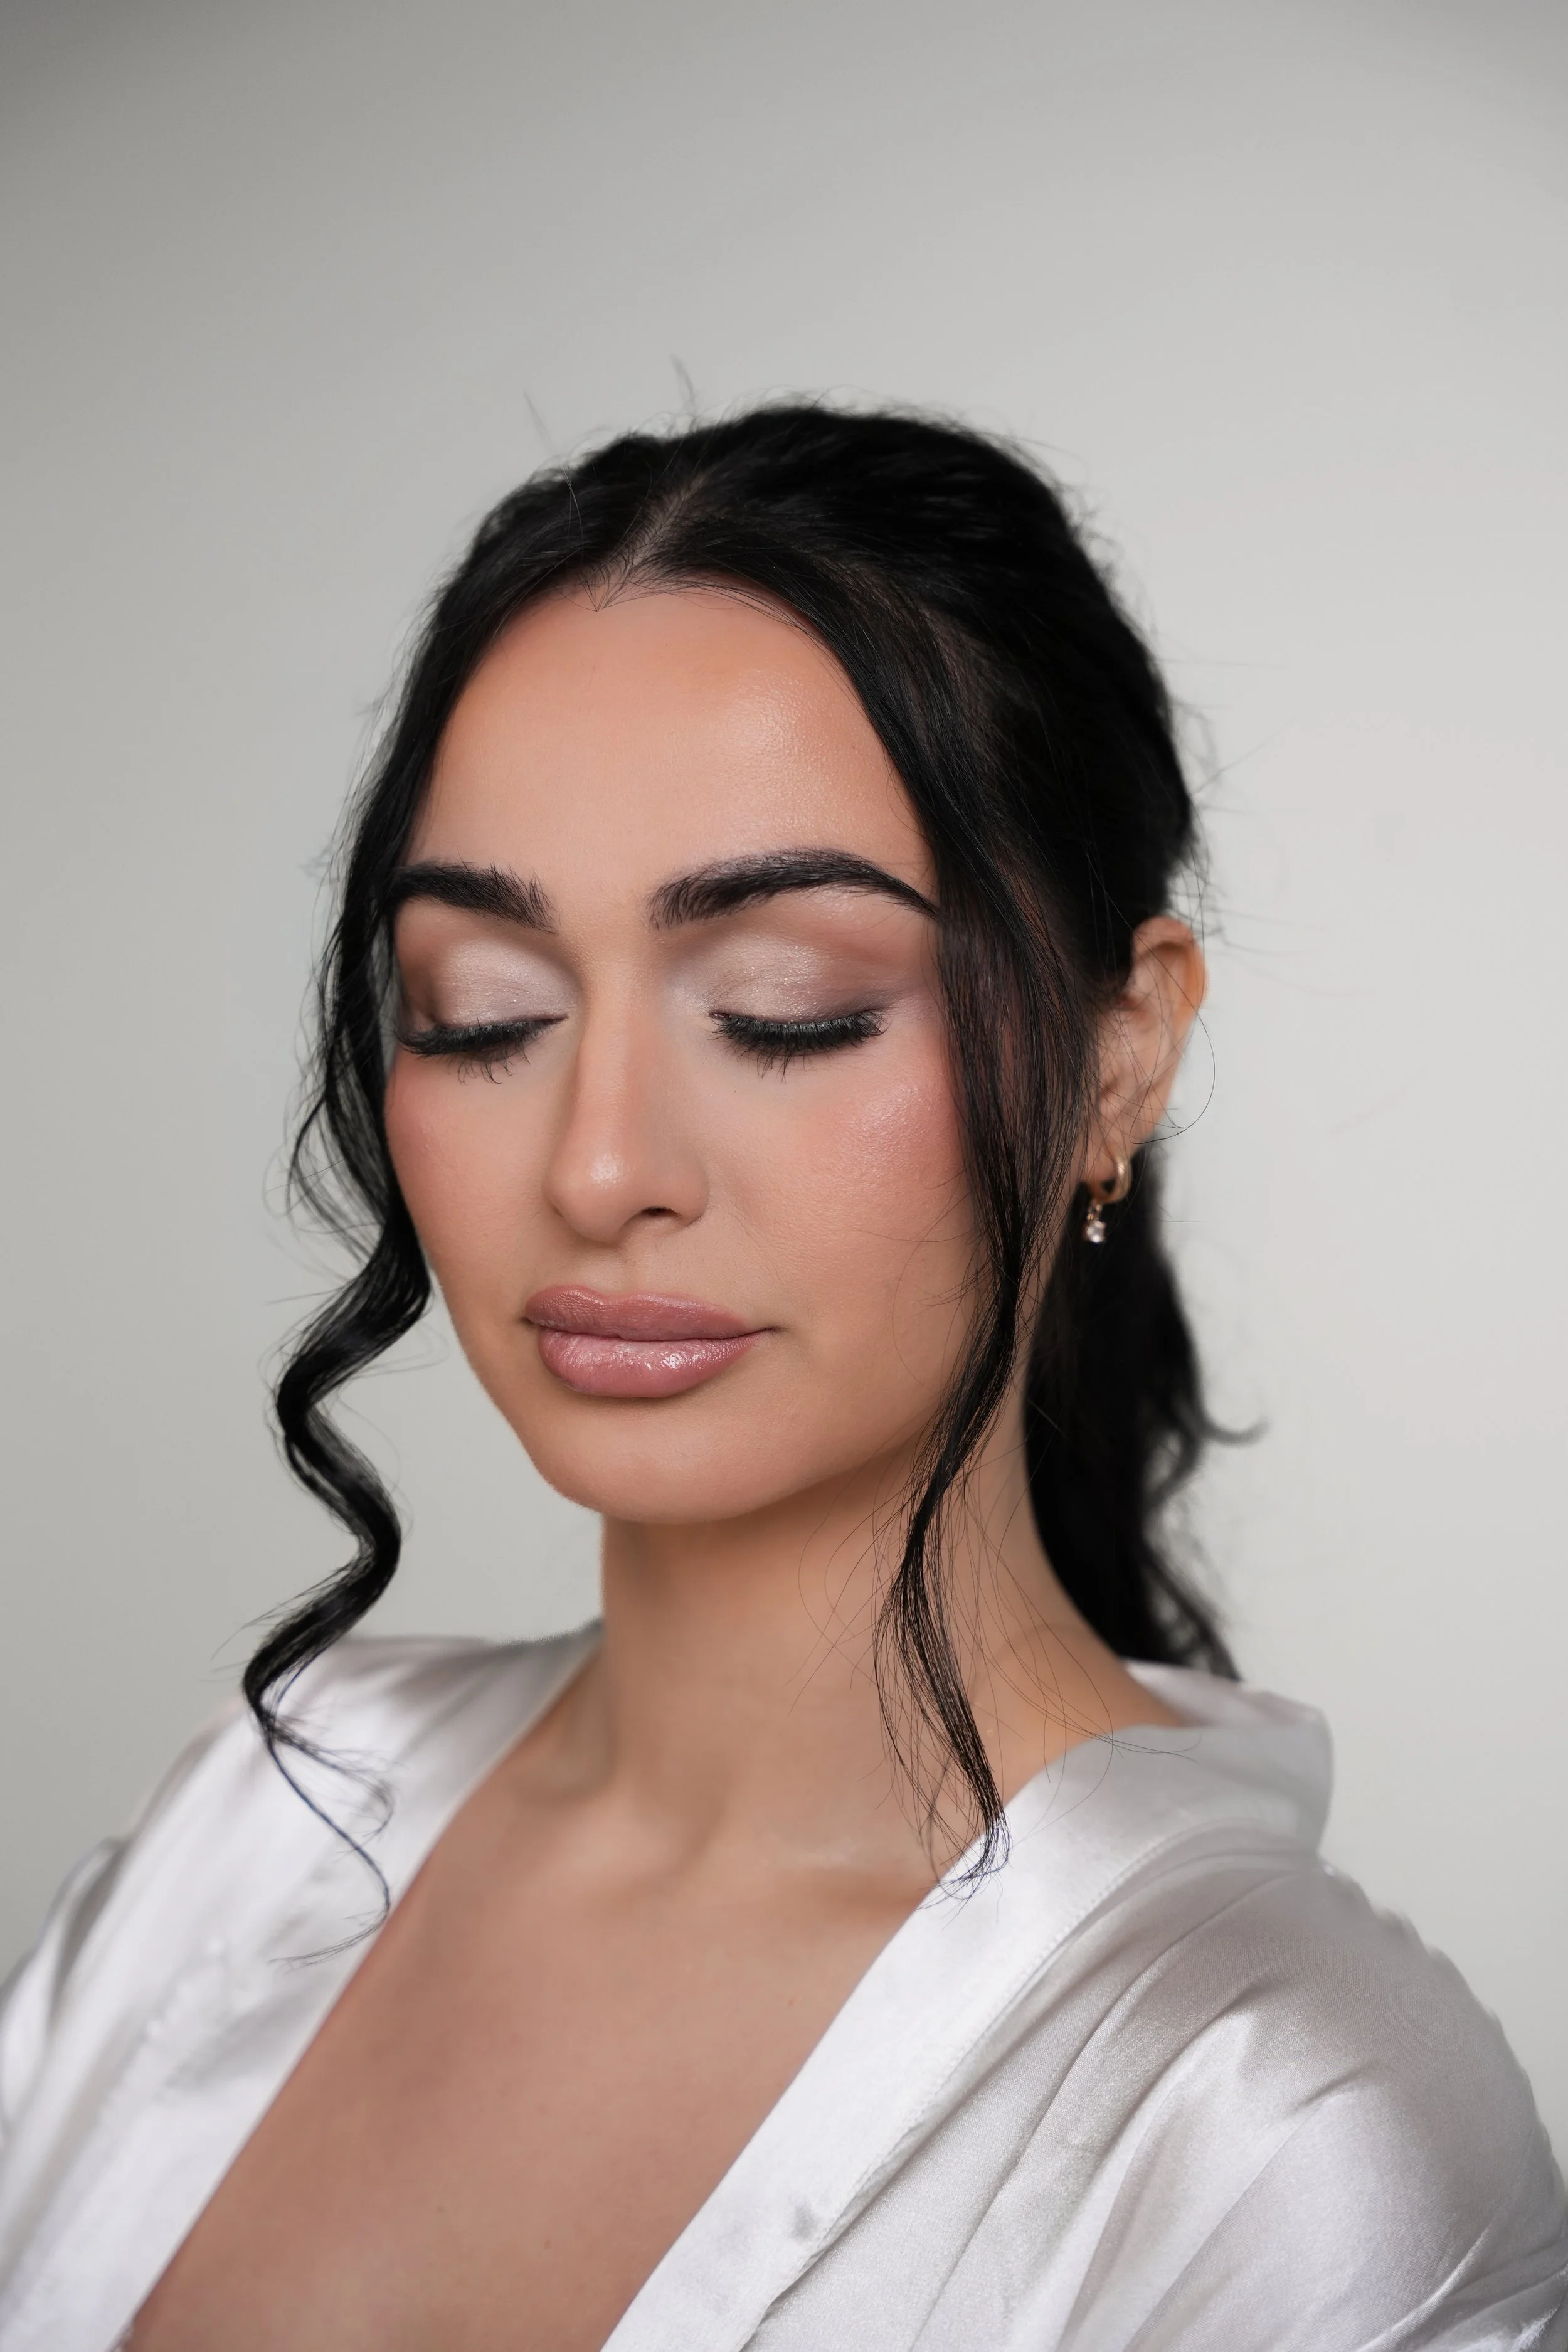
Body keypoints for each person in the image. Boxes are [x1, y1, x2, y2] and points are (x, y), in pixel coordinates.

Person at [0, 405, 1562, 2352]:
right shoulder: (255, 1835)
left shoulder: (1269, 2125)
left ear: (1120, 1054)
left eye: (781, 1008)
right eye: (479, 1014)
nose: (595, 1163)